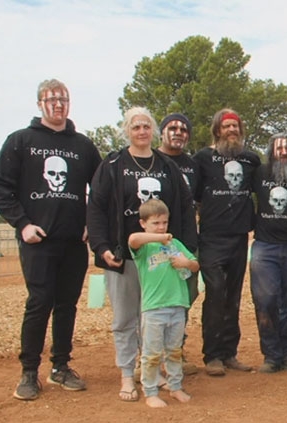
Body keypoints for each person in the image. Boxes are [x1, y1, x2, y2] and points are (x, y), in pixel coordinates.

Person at [0, 78, 101, 401]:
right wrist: (22, 224)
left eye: (63, 98)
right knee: (39, 304)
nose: (58, 104)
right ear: (40, 104)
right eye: (51, 99)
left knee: (67, 305)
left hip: (73, 243)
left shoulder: (82, 145)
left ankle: (61, 367)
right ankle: (29, 372)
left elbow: (102, 188)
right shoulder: (21, 141)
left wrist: (90, 223)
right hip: (38, 241)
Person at [88, 106, 197, 402]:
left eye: (146, 126)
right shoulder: (112, 165)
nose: (141, 131)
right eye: (135, 127)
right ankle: (127, 374)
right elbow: (96, 208)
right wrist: (101, 247)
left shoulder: (167, 167)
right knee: (125, 318)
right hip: (123, 255)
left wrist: (186, 249)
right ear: (127, 131)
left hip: (160, 257)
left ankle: (153, 371)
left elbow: (185, 208)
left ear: (153, 131)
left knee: (154, 317)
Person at [192, 108, 260, 376]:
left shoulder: (250, 160)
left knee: (233, 296)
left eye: (235, 126)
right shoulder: (203, 159)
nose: (231, 131)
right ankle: (212, 355)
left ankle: (229, 353)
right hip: (211, 236)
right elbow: (194, 196)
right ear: (217, 130)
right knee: (216, 291)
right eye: (226, 127)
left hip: (239, 236)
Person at [250, 134, 287, 373]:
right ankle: (271, 354)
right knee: (265, 300)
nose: (284, 153)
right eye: (279, 149)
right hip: (265, 246)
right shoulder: (260, 173)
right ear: (271, 151)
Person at [128, 199, 197, 408]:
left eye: (164, 223)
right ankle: (150, 391)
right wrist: (161, 237)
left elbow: (194, 265)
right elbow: (133, 239)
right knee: (151, 354)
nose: (161, 227)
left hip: (177, 305)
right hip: (154, 309)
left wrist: (186, 262)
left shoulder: (176, 244)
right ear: (143, 223)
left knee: (174, 351)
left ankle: (175, 387)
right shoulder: (144, 248)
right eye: (155, 223)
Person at [157, 112, 200, 375]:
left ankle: (176, 352)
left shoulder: (193, 166)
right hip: (155, 242)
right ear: (162, 132)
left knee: (184, 297)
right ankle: (150, 356)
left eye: (184, 129)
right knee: (155, 299)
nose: (178, 132)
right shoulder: (152, 160)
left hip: (185, 242)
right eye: (172, 127)